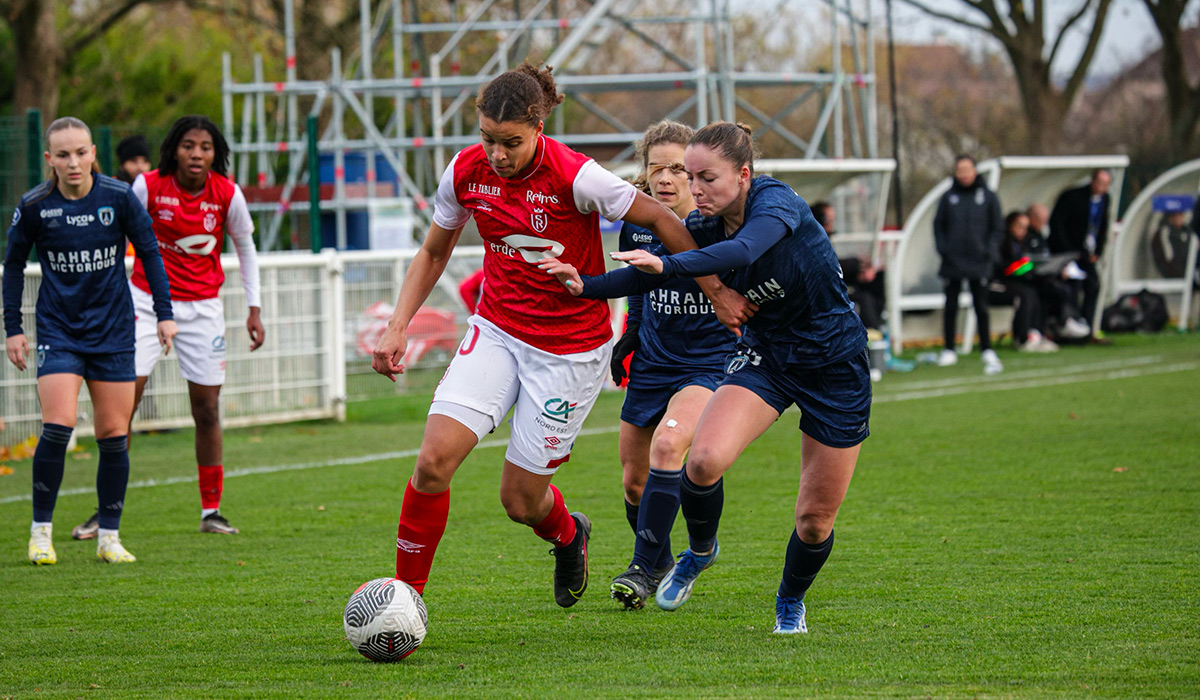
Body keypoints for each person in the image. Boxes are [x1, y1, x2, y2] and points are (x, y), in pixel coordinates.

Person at [371, 64, 751, 608]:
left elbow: (666, 222)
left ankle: (570, 535)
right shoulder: (465, 170)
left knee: (520, 501)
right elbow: (435, 250)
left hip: (569, 350)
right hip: (497, 329)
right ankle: (405, 601)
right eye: (487, 139)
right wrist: (398, 324)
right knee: (432, 463)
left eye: (511, 143)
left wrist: (714, 289)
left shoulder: (579, 176)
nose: (497, 155)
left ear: (539, 126)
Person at [541, 122, 870, 634]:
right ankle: (699, 551)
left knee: (814, 519)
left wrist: (670, 264)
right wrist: (588, 285)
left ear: (743, 175)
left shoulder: (774, 204)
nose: (695, 190)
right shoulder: (705, 226)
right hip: (768, 359)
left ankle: (789, 601)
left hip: (835, 367)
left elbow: (740, 253)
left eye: (705, 178)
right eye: (688, 177)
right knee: (702, 460)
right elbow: (649, 271)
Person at [70, 115, 264, 540]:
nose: (197, 154)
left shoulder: (227, 194)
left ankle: (212, 511)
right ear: (174, 148)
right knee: (123, 404)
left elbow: (246, 248)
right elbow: (118, 234)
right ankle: (106, 511)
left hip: (204, 309)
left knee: (207, 410)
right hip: (145, 302)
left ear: (216, 154)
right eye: (189, 145)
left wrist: (255, 307)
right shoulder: (148, 187)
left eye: (206, 147)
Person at [4, 117, 177, 564]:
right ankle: (41, 533)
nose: (73, 162)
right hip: (60, 331)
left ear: (93, 154)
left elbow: (151, 252)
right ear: (50, 160)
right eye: (62, 155)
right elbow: (13, 266)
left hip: (115, 330)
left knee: (113, 435)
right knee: (58, 427)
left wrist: (164, 314)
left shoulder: (118, 197)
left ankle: (109, 538)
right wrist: (13, 328)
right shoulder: (36, 204)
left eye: (81, 152)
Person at [605, 120, 738, 610]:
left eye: (677, 168)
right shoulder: (639, 220)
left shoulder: (721, 223)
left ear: (697, 173)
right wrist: (631, 334)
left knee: (668, 445)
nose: (665, 178)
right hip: (656, 360)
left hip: (709, 362)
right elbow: (636, 283)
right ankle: (658, 560)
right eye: (655, 167)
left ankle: (641, 568)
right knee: (633, 479)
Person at [933, 155, 1004, 374]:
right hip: (952, 262)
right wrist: (945, 250)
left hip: (979, 262)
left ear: (975, 171)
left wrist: (988, 252)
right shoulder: (948, 197)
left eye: (968, 169)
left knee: (981, 306)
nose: (964, 174)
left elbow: (997, 227)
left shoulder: (988, 196)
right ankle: (949, 349)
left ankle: (986, 349)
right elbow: (938, 226)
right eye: (960, 170)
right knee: (951, 307)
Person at [1048, 168, 1113, 339]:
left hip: (1086, 254)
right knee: (1073, 287)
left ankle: (1088, 328)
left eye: (1106, 184)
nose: (1101, 187)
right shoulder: (1072, 197)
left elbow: (1103, 226)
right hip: (1067, 253)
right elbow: (1058, 225)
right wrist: (1069, 251)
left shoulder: (1105, 200)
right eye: (1099, 182)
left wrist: (1098, 251)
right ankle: (1069, 328)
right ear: (1092, 181)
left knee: (1093, 285)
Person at [812, 201, 885, 332]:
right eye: (829, 218)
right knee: (864, 299)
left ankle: (877, 332)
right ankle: (874, 333)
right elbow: (827, 267)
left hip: (832, 287)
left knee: (876, 282)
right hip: (822, 293)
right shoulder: (814, 239)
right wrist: (856, 264)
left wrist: (859, 272)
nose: (832, 222)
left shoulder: (823, 237)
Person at [993, 211, 1057, 352]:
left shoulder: (1021, 243)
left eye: (1025, 227)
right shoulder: (1001, 242)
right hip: (994, 284)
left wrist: (1032, 266)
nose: (1022, 231)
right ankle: (1021, 339)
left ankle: (1036, 334)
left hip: (1011, 282)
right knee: (1024, 295)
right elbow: (1005, 269)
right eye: (1019, 226)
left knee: (1037, 290)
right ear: (1009, 225)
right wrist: (1026, 264)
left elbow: (1019, 266)